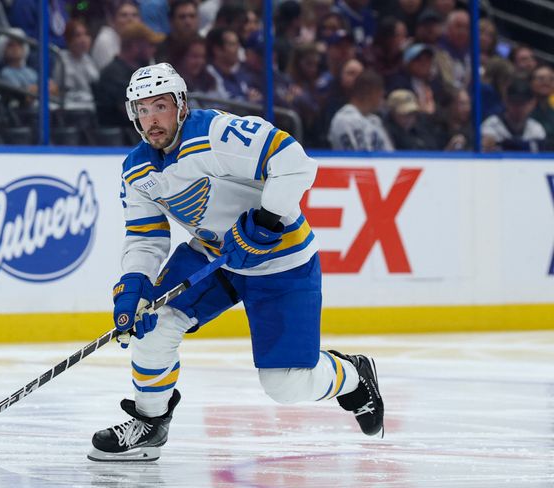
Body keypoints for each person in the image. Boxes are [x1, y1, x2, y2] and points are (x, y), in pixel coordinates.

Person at [87, 63, 384, 462]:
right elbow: (145, 237)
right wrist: (134, 284)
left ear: (181, 105)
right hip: (213, 257)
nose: (152, 119)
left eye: (160, 106)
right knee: (152, 325)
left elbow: (294, 161)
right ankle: (150, 422)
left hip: (280, 262)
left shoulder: (214, 134)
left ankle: (352, 376)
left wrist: (264, 220)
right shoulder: (136, 169)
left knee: (286, 386)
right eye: (142, 110)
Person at [328, 68, 393, 151]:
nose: (382, 99)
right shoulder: (344, 120)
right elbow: (352, 158)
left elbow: (390, 155)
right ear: (371, 92)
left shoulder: (375, 121)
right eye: (380, 94)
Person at [481, 76, 546, 153]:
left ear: (532, 103)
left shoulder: (536, 128)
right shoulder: (492, 124)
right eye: (514, 102)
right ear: (506, 101)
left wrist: (504, 144)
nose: (518, 108)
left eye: (523, 103)